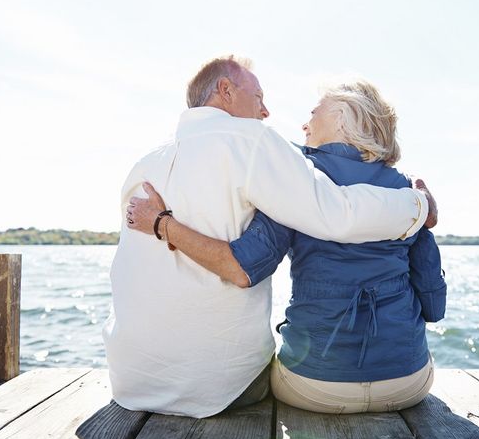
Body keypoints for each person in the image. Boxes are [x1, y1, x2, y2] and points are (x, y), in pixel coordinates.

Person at [103, 56, 433, 418]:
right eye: (258, 97)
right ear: (225, 91)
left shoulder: (144, 163)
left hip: (130, 381)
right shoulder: (255, 145)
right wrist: (419, 205)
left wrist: (160, 222)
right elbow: (337, 213)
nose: (266, 113)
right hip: (225, 390)